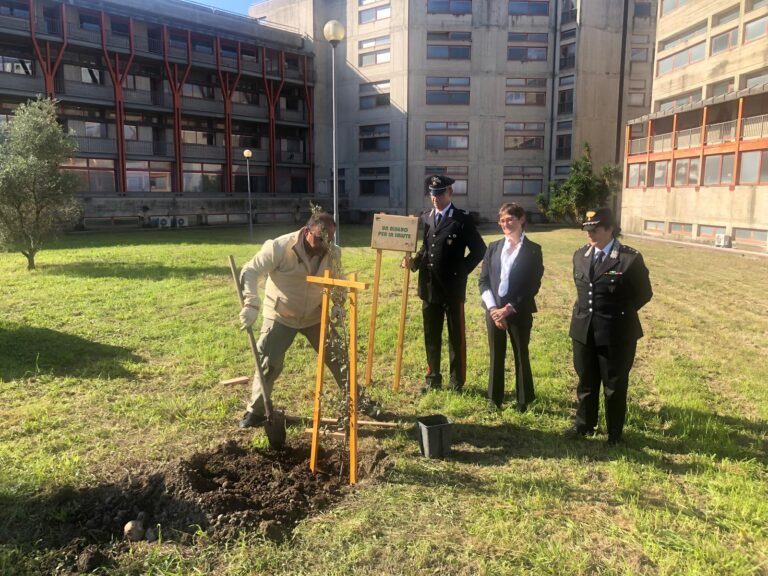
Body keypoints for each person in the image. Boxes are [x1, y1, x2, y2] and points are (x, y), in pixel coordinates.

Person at [237, 211, 380, 428]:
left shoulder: (333, 252)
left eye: (330, 239)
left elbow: (337, 280)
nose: (325, 244)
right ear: (306, 231)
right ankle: (256, 411)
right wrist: (251, 304)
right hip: (281, 314)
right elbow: (250, 270)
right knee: (269, 363)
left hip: (315, 314)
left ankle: (358, 400)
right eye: (320, 238)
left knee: (339, 359)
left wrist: (338, 305)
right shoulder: (279, 247)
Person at [568, 207, 652, 445]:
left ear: (610, 229)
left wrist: (618, 315)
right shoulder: (580, 255)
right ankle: (584, 425)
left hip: (616, 332)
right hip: (584, 329)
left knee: (614, 385)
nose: (590, 234)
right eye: (587, 229)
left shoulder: (629, 258)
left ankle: (614, 433)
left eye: (595, 229)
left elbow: (644, 294)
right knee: (586, 381)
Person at [406, 175, 486, 393]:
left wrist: (462, 271)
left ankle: (456, 382)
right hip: (429, 288)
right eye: (432, 194)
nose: (435, 199)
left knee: (455, 336)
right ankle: (433, 378)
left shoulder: (461, 219)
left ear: (450, 193)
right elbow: (425, 247)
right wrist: (414, 262)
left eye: (440, 194)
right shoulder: (427, 218)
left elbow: (479, 249)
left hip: (452, 289)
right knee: (431, 335)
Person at [478, 203, 544, 413]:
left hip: (519, 310)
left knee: (520, 354)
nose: (505, 224)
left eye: (510, 219)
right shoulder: (493, 247)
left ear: (521, 219)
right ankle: (494, 399)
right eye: (502, 220)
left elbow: (533, 285)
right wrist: (493, 310)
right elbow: (483, 281)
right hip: (494, 311)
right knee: (496, 354)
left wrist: (509, 308)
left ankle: (524, 399)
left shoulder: (534, 250)